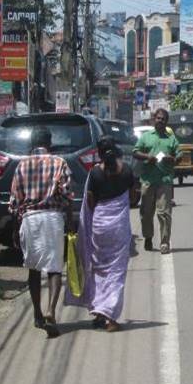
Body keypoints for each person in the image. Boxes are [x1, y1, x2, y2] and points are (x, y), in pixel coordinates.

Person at [65, 136, 138, 332]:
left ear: (99, 153)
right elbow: (133, 198)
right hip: (119, 228)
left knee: (98, 269)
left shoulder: (96, 173)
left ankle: (98, 312)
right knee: (116, 272)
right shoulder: (128, 171)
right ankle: (111, 318)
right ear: (116, 149)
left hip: (99, 226)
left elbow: (90, 202)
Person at [9, 126, 74, 338]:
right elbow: (66, 195)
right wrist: (70, 220)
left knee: (34, 268)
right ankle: (50, 311)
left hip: (29, 219)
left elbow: (14, 201)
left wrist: (14, 227)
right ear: (50, 143)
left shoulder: (21, 165)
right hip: (52, 218)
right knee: (54, 268)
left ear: (32, 144)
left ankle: (37, 314)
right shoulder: (59, 163)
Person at [133, 108, 180, 254]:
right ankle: (148, 237)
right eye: (158, 118)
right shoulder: (146, 137)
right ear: (154, 119)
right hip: (148, 180)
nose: (160, 121)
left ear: (167, 122)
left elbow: (179, 156)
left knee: (164, 213)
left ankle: (164, 243)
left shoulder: (171, 139)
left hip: (164, 180)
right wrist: (147, 157)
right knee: (146, 213)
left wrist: (171, 159)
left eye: (163, 119)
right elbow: (135, 152)